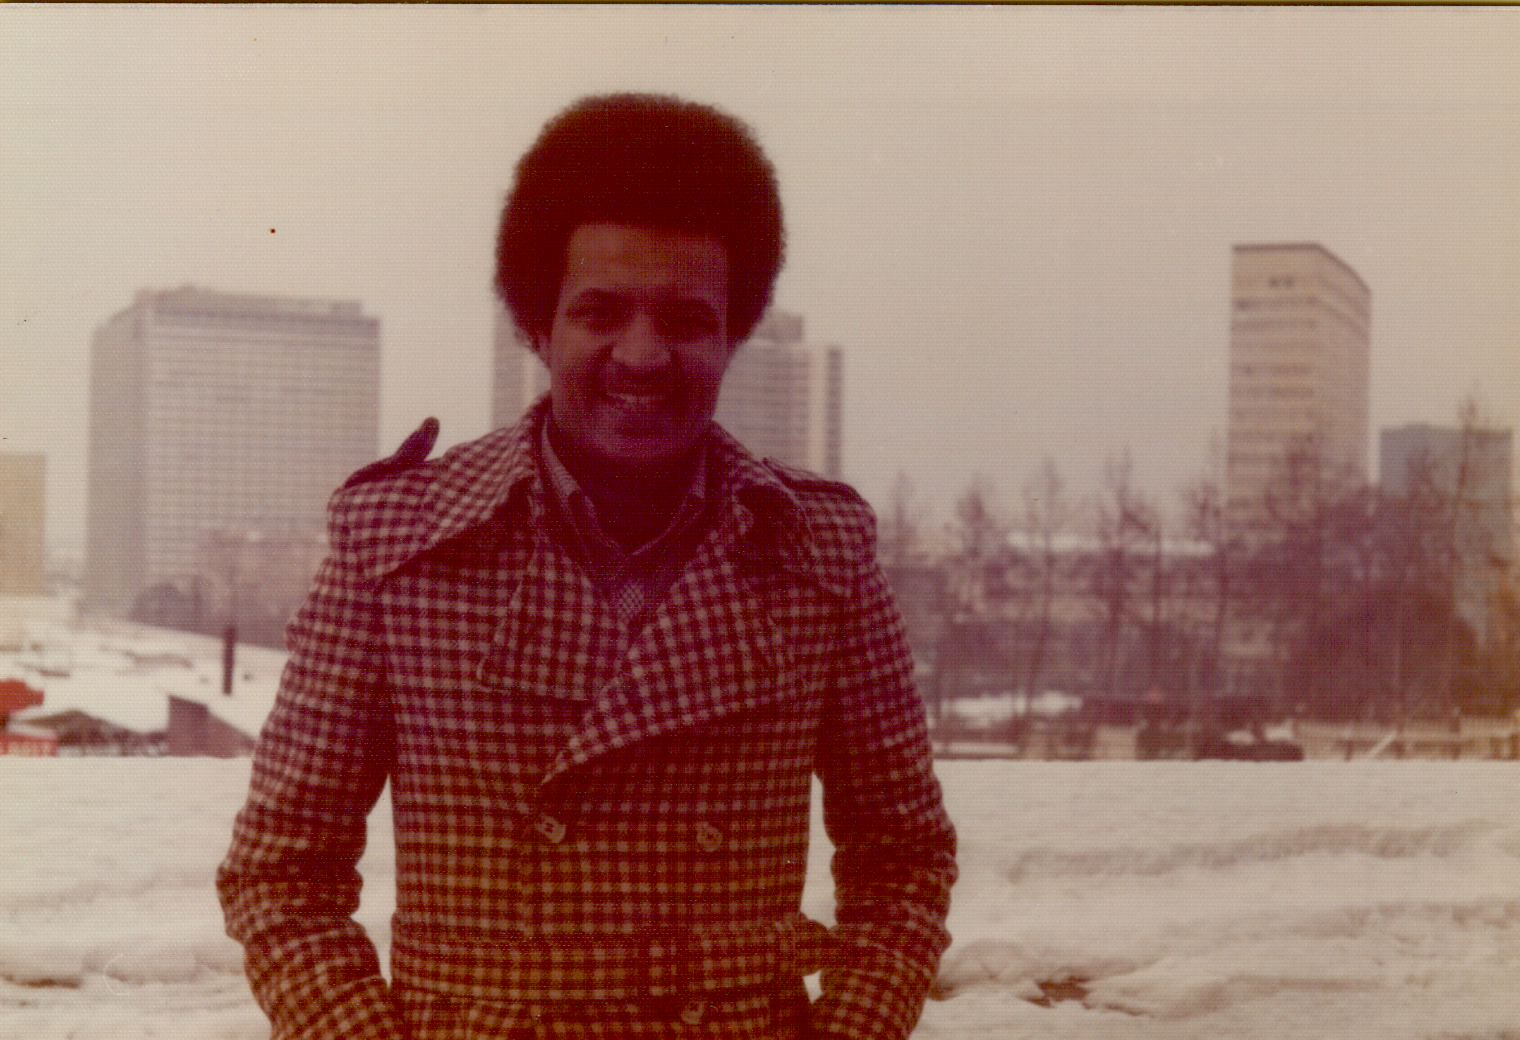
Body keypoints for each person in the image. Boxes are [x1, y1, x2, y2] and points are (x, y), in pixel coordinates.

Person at [218, 92, 956, 1040]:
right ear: (536, 324)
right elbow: (281, 873)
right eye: (600, 311)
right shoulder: (397, 546)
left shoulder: (820, 551)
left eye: (688, 319)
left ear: (735, 332)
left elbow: (903, 857)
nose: (642, 356)